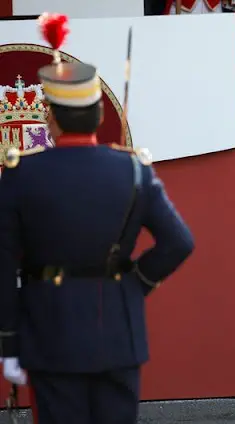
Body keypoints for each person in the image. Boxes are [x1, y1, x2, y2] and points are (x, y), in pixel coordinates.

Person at [0, 26, 194, 423]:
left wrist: (8, 342)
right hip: (117, 333)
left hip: (48, 332)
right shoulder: (134, 170)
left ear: (49, 116)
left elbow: (3, 265)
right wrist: (135, 284)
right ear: (99, 114)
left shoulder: (21, 174)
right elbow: (178, 242)